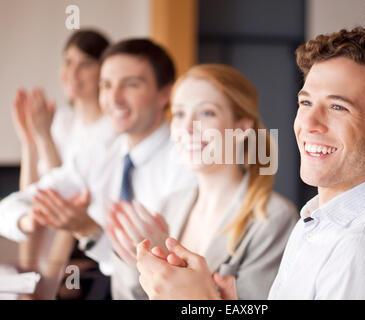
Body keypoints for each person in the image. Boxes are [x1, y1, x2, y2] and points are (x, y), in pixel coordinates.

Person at [135, 27, 365, 300]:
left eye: (337, 107)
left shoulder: (364, 250)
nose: (308, 123)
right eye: (305, 102)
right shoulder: (316, 221)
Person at [0, 38, 196, 297]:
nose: (114, 98)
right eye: (106, 85)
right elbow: (8, 208)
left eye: (131, 85)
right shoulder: (100, 152)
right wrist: (31, 218)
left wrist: (91, 232)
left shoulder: (186, 163)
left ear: (164, 93)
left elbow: (173, 269)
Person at [106, 64, 299, 299]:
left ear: (240, 128)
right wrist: (132, 258)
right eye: (179, 114)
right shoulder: (170, 205)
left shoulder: (272, 220)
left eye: (206, 113)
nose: (187, 128)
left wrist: (170, 265)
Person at [11, 29, 115, 299]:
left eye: (84, 64)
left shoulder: (111, 129)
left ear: (103, 71)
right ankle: (28, 284)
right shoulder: (64, 120)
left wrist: (44, 137)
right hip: (47, 234)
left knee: (61, 212)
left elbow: (66, 193)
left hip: (82, 237)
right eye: (68, 62)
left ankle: (36, 288)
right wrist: (30, 142)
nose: (73, 72)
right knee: (32, 212)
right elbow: (33, 192)